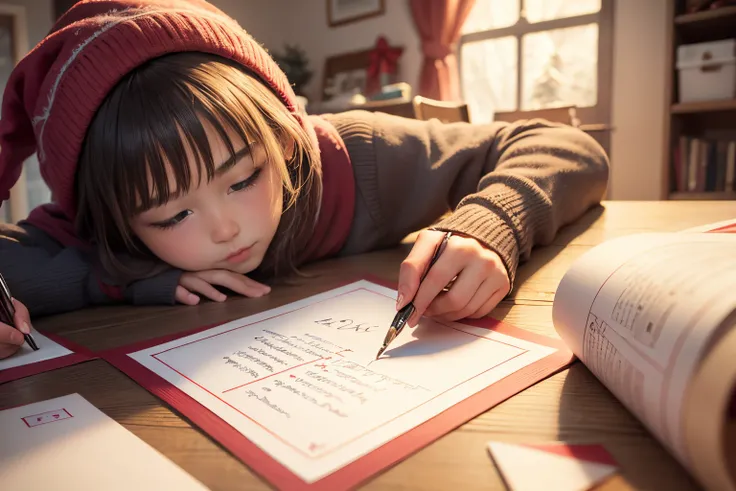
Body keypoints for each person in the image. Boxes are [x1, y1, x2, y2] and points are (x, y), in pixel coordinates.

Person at [0, 0, 609, 359]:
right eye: (170, 216)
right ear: (111, 219)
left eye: (242, 177)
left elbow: (564, 145)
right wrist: (132, 279)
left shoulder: (357, 159)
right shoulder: (100, 226)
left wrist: (494, 224)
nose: (225, 228)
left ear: (283, 134)